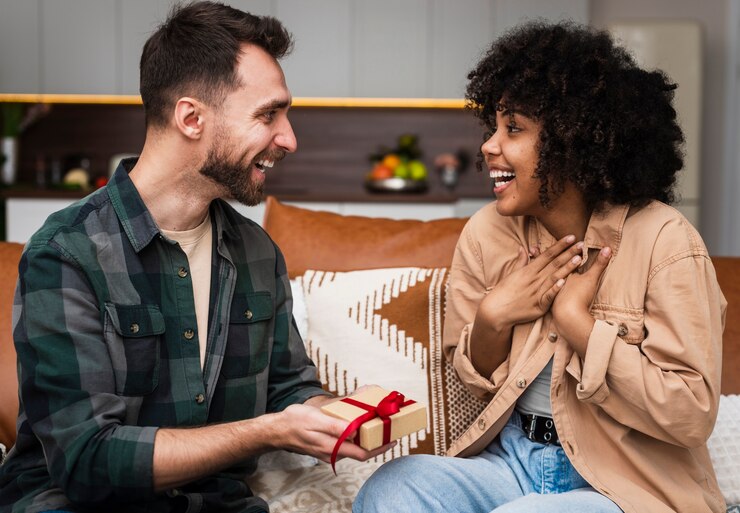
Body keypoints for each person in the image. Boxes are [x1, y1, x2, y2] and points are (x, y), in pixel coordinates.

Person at [0, 2, 390, 512]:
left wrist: (332, 415)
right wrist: (267, 430)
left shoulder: (255, 253)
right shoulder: (66, 253)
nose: (289, 139)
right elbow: (87, 461)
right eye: (268, 114)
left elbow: (287, 388)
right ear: (190, 118)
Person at [354, 20, 727, 513]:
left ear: (573, 145)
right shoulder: (486, 233)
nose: (489, 146)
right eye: (494, 126)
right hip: (512, 462)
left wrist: (580, 325)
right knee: (393, 488)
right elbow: (471, 382)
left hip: (625, 481)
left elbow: (690, 413)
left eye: (514, 128)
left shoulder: (665, 240)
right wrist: (492, 317)